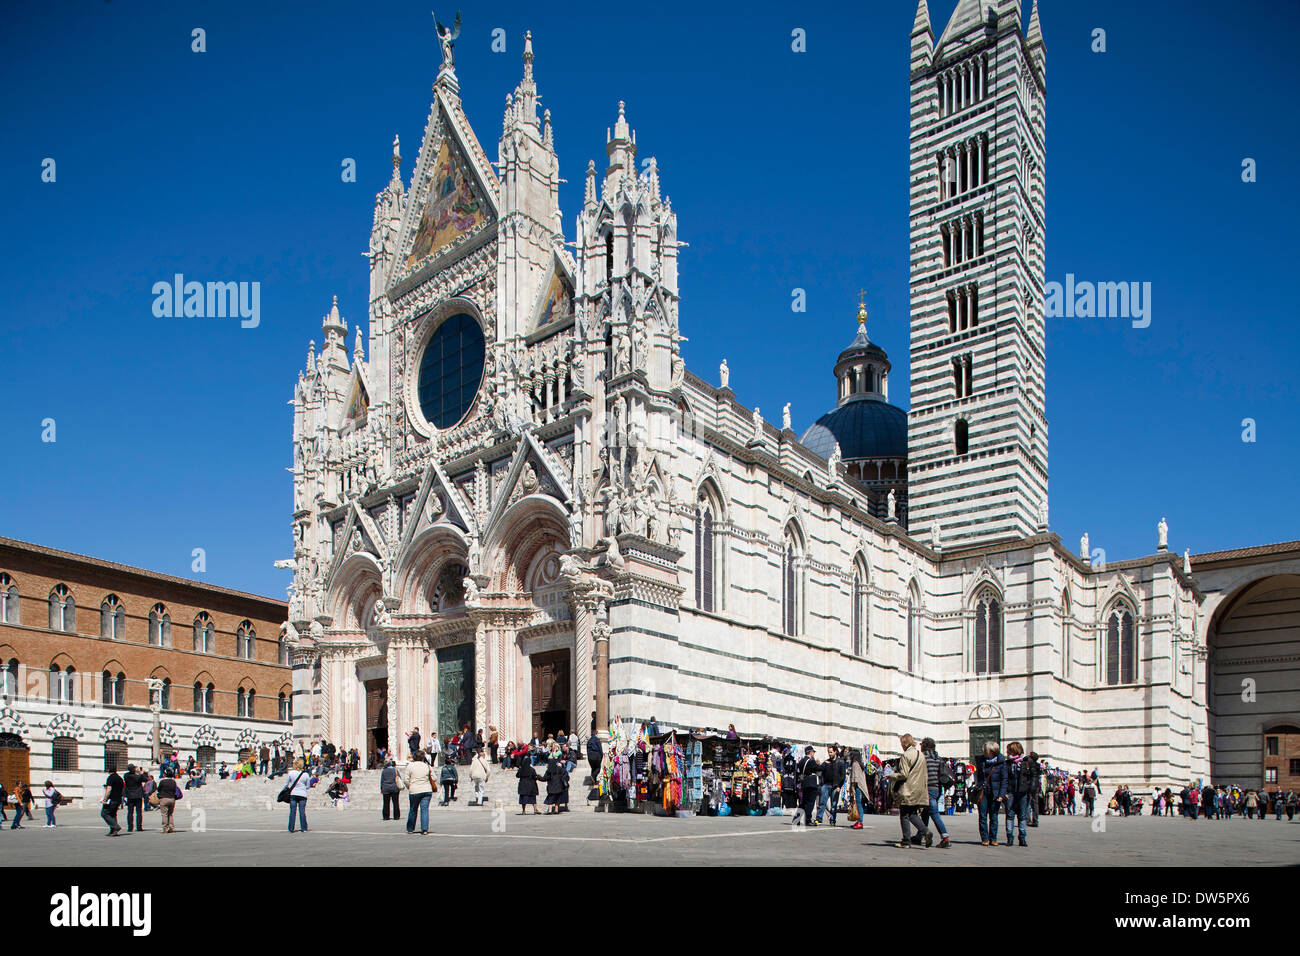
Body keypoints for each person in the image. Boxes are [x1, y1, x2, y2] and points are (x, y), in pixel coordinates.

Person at [891, 734, 929, 848]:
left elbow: (904, 774)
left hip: (908, 789)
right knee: (912, 813)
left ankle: (906, 841)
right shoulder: (920, 755)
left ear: (904, 743)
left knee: (904, 814)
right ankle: (926, 832)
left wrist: (891, 776)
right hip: (919, 789)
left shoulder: (906, 755)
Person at [918, 737, 951, 848]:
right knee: (925, 813)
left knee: (934, 813)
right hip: (937, 789)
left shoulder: (923, 758)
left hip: (927, 789)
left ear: (924, 746)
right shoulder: (939, 758)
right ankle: (920, 835)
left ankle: (945, 837)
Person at [1004, 742, 1037, 847]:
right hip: (1011, 792)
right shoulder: (1008, 763)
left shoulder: (1027, 762)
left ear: (1014, 750)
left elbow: (1033, 777)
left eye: (1009, 750)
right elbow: (1005, 778)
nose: (1007, 752)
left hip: (1023, 792)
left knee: (1022, 816)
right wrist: (1005, 792)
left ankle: (1022, 838)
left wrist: (1030, 791)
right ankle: (1010, 837)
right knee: (1009, 815)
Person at [975, 740, 1007, 846]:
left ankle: (993, 838)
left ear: (992, 751)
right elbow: (978, 776)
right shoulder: (981, 761)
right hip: (983, 792)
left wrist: (1001, 795)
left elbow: (1004, 780)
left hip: (995, 792)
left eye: (986, 750)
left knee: (993, 816)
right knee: (982, 816)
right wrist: (978, 786)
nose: (984, 752)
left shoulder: (1001, 763)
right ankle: (985, 838)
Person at [816, 745, 844, 826]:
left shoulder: (840, 762)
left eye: (831, 752)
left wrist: (839, 786)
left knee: (834, 805)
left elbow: (843, 776)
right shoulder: (826, 762)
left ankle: (832, 820)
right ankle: (819, 819)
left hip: (835, 786)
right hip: (826, 785)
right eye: (828, 752)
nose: (829, 754)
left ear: (835, 752)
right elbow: (819, 769)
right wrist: (816, 764)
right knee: (822, 803)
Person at [285, 759, 312, 833]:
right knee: (302, 811)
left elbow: (286, 784)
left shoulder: (290, 773)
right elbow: (308, 786)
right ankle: (304, 828)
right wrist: (302, 787)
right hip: (302, 794)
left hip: (293, 794)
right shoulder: (305, 774)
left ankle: (291, 828)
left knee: (292, 811)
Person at [797, 746, 821, 826]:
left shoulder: (801, 761)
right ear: (810, 752)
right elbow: (818, 769)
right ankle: (808, 820)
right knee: (810, 803)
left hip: (804, 783)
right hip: (812, 783)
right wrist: (819, 764)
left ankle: (797, 819)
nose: (813, 754)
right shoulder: (811, 761)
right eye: (813, 752)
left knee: (803, 802)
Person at [847, 749, 869, 829]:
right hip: (859, 786)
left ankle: (860, 821)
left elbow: (855, 778)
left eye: (850, 755)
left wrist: (852, 789)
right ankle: (859, 821)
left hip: (857, 786)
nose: (849, 757)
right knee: (858, 804)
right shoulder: (859, 763)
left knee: (858, 804)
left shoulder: (855, 764)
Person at [102, 766, 125, 836]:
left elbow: (109, 789)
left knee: (104, 813)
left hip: (111, 799)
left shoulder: (111, 778)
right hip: (118, 799)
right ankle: (113, 831)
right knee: (113, 814)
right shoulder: (120, 778)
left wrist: (105, 799)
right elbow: (123, 789)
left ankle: (116, 827)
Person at [122, 764, 145, 833]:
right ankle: (139, 826)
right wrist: (140, 773)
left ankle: (130, 827)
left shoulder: (126, 775)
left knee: (130, 812)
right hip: (137, 795)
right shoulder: (137, 777)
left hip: (130, 795)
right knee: (139, 812)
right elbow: (144, 779)